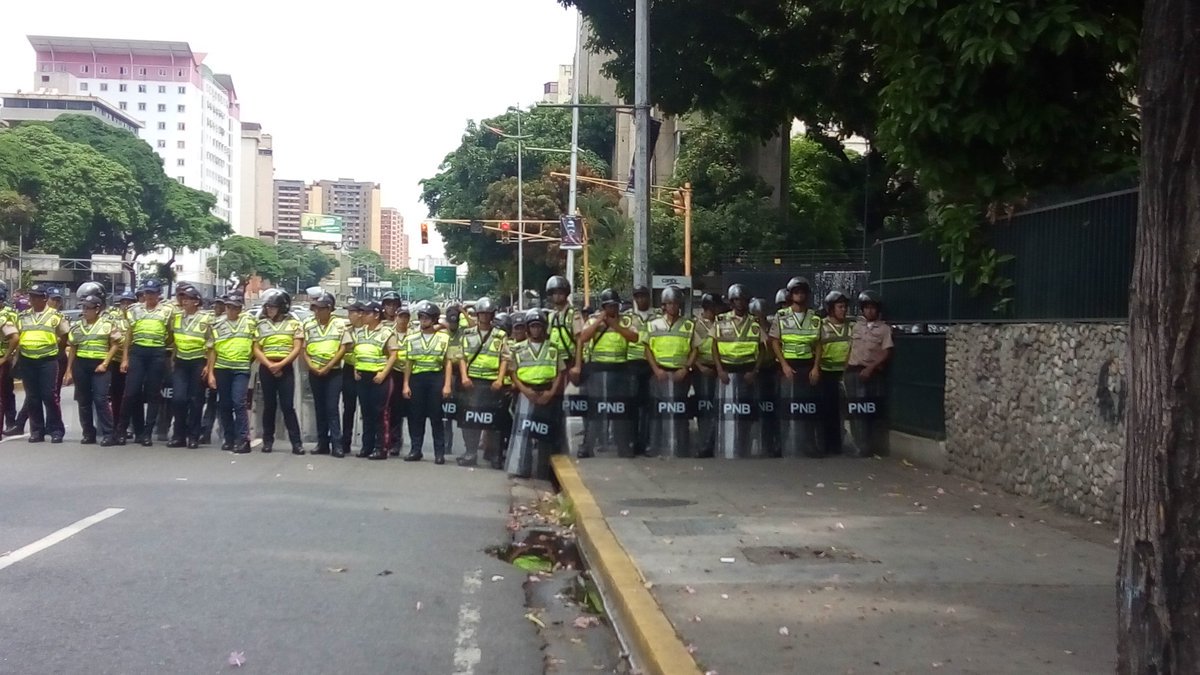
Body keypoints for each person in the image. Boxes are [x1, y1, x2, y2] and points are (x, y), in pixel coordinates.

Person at [574, 289, 639, 457]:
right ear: (603, 307)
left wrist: (615, 326)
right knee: (596, 411)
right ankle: (588, 446)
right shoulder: (594, 320)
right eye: (609, 306)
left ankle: (623, 446)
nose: (613, 309)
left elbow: (634, 337)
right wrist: (600, 321)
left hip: (620, 370)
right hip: (598, 372)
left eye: (615, 306)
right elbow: (583, 338)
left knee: (620, 410)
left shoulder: (626, 320)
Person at [503, 308, 566, 479]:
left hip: (546, 393)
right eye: (532, 326)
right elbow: (512, 373)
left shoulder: (553, 347)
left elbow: (560, 372)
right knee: (523, 433)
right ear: (527, 328)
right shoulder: (518, 348)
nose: (536, 330)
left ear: (544, 327)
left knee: (544, 433)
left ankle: (543, 471)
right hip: (526, 392)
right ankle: (520, 468)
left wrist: (551, 392)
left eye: (539, 326)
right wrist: (525, 391)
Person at [770, 276, 823, 457]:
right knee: (785, 406)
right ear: (791, 295)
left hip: (807, 365)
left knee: (808, 407)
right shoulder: (781, 316)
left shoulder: (815, 317)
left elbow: (818, 344)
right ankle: (782, 444)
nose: (800, 295)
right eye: (796, 292)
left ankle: (809, 444)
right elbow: (774, 341)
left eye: (802, 292)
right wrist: (784, 364)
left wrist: (816, 368)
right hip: (788, 365)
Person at [118, 279, 173, 446]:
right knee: (131, 393)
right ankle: (121, 431)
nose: (149, 296)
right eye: (147, 293)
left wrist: (163, 346)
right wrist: (125, 357)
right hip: (138, 353)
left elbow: (171, 333)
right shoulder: (134, 310)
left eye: (152, 293)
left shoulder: (167, 311)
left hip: (156, 354)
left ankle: (147, 433)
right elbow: (129, 334)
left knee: (153, 394)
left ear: (158, 294)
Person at [455, 297, 507, 468]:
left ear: (492, 315)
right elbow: (461, 357)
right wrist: (464, 377)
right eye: (482, 314)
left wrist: (500, 379)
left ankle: (493, 454)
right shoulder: (467, 334)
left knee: (493, 421)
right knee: (469, 419)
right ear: (477, 315)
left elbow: (505, 359)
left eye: (488, 314)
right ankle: (470, 453)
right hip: (472, 383)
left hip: (492, 384)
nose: (485, 317)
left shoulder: (500, 335)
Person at [63, 294, 122, 445]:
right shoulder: (77, 327)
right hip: (81, 365)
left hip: (100, 365)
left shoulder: (108, 325)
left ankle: (109, 433)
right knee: (83, 400)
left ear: (97, 309)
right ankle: (88, 433)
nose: (85, 311)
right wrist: (69, 370)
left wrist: (105, 363)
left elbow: (116, 343)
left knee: (100, 399)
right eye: (83, 307)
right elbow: (73, 348)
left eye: (88, 308)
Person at [711, 284, 761, 458]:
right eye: (737, 300)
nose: (740, 303)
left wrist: (754, 371)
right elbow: (714, 347)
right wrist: (719, 370)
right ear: (731, 301)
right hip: (727, 372)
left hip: (747, 372)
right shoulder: (720, 320)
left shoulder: (755, 321)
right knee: (727, 412)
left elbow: (762, 348)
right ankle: (726, 446)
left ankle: (745, 448)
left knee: (746, 413)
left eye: (743, 300)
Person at [645, 286, 695, 457]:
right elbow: (647, 349)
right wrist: (656, 370)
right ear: (663, 306)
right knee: (657, 412)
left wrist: (686, 368)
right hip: (659, 374)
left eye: (676, 303)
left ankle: (681, 447)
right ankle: (656, 446)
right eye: (669, 304)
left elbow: (695, 349)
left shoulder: (689, 325)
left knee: (680, 411)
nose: (673, 307)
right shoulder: (653, 324)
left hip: (680, 374)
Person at [253, 289, 305, 455]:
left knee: (287, 406)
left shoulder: (293, 324)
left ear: (282, 308)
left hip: (285, 367)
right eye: (268, 307)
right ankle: (268, 441)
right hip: (267, 367)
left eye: (273, 307)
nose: (269, 310)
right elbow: (256, 348)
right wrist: (269, 365)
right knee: (269, 405)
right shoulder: (261, 324)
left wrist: (281, 364)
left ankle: (296, 443)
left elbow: (296, 348)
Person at [17, 284, 69, 443]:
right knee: (32, 397)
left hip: (47, 360)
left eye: (36, 296)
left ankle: (56, 430)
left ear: (44, 298)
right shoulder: (23, 316)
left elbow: (64, 336)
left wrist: (58, 352)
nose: (32, 299)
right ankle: (37, 431)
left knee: (49, 396)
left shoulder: (55, 316)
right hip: (28, 360)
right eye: (31, 296)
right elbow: (18, 335)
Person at [402, 301, 452, 464]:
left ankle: (439, 453)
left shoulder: (444, 338)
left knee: (436, 417)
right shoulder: (412, 338)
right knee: (416, 417)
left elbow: (448, 362)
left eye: (426, 317)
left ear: (434, 319)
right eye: (421, 317)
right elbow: (409, 363)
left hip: (436, 378)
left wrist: (447, 385)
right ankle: (416, 450)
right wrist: (406, 384)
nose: (423, 320)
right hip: (417, 379)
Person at [302, 292, 352, 457]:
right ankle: (322, 443)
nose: (317, 312)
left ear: (329, 309)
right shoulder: (309, 325)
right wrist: (311, 366)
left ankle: (336, 444)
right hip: (314, 371)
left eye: (321, 309)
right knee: (319, 407)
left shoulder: (339, 324)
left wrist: (328, 366)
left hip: (334, 371)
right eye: (315, 309)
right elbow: (304, 348)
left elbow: (343, 347)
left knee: (332, 408)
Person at [845, 290, 893, 457]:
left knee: (870, 410)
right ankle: (858, 444)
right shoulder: (856, 327)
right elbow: (850, 349)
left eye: (873, 308)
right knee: (855, 410)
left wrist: (871, 368)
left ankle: (870, 445)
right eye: (867, 308)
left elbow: (886, 352)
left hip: (872, 373)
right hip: (854, 372)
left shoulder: (884, 329)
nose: (870, 311)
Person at [208, 294, 255, 454]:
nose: (231, 310)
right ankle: (229, 438)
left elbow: (255, 344)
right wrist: (211, 374)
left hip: (241, 368)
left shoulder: (249, 322)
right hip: (222, 368)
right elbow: (212, 350)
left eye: (235, 307)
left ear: (240, 309)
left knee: (239, 403)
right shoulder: (217, 325)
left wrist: (250, 359)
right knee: (224, 404)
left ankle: (243, 439)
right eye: (229, 307)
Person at [351, 301, 399, 459]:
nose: (362, 316)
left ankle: (381, 448)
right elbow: (358, 353)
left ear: (377, 315)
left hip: (379, 377)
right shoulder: (360, 332)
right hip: (362, 376)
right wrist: (356, 369)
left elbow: (393, 355)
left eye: (367, 313)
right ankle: (367, 446)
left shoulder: (386, 333)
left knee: (380, 413)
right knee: (366, 413)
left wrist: (383, 373)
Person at [166, 286, 212, 448]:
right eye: (182, 298)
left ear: (196, 302)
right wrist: (173, 359)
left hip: (198, 362)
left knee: (195, 400)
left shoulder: (206, 319)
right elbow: (174, 339)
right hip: (181, 362)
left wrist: (208, 365)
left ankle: (193, 436)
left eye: (187, 298)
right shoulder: (177, 318)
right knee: (178, 399)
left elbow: (211, 343)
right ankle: (179, 435)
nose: (183, 301)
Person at [813, 291, 852, 455]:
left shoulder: (852, 326)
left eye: (845, 307)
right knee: (827, 411)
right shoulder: (821, 326)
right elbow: (816, 347)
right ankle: (825, 445)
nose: (844, 310)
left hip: (845, 374)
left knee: (842, 411)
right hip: (826, 373)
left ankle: (838, 445)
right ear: (830, 309)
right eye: (840, 307)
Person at [624, 285, 660, 455]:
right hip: (632, 363)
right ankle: (632, 441)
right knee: (632, 406)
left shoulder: (658, 316)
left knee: (649, 406)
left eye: (643, 296)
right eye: (637, 297)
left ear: (649, 298)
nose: (640, 300)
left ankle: (647, 441)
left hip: (651, 364)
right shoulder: (628, 317)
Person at [750, 297, 781, 457]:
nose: (758, 316)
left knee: (772, 408)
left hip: (771, 369)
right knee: (756, 408)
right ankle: (757, 442)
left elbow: (772, 343)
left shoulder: (771, 327)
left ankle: (773, 443)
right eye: (755, 314)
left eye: (761, 314)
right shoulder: (749, 328)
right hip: (756, 370)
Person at [690, 293, 720, 458]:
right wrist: (700, 367)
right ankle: (703, 444)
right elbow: (690, 350)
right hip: (702, 370)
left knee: (716, 408)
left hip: (717, 368)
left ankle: (713, 442)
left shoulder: (721, 323)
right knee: (704, 408)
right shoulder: (697, 325)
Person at [386, 302, 415, 456]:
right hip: (395, 373)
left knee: (412, 411)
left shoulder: (414, 334)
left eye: (406, 317)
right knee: (395, 410)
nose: (403, 320)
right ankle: (395, 442)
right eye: (401, 316)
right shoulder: (388, 333)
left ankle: (415, 445)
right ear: (396, 317)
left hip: (411, 374)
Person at [198, 295, 226, 445]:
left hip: (224, 364)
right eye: (216, 305)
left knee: (224, 401)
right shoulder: (209, 320)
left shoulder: (228, 321)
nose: (217, 307)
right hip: (209, 362)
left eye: (221, 305)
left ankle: (224, 432)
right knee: (211, 400)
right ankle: (205, 431)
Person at [340, 301, 365, 455]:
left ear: (360, 313)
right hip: (348, 370)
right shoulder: (346, 330)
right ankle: (345, 442)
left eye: (351, 312)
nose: (349, 316)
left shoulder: (368, 331)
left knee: (367, 409)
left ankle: (367, 444)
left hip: (364, 370)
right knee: (348, 408)